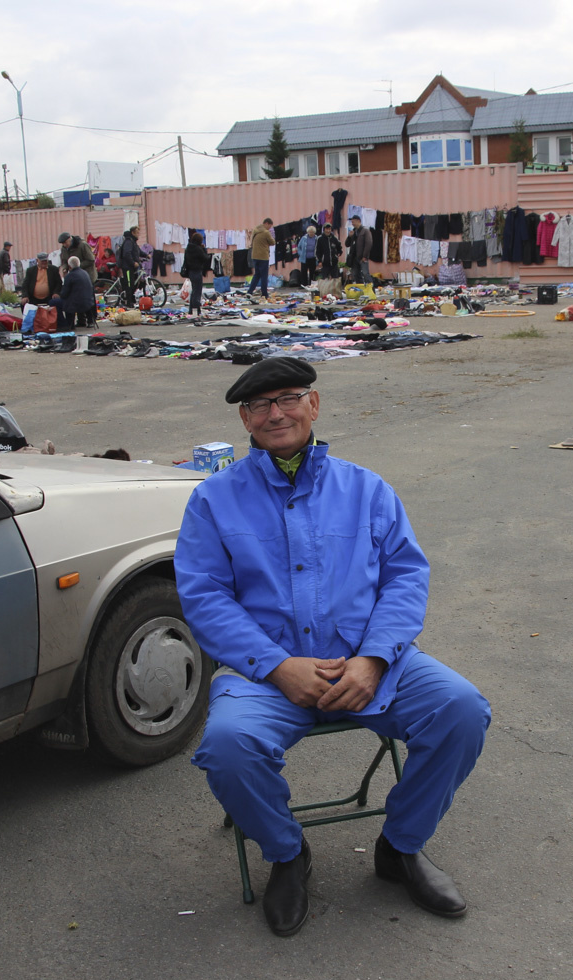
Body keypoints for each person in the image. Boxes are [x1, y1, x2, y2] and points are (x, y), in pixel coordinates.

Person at [175, 357, 492, 938]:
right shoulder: (213, 500)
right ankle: (287, 853)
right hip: (264, 674)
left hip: (369, 662)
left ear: (314, 405)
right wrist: (275, 665)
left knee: (461, 709)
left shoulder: (367, 489)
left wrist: (374, 659)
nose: (277, 414)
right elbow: (204, 598)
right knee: (226, 746)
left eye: (289, 398)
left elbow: (405, 578)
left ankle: (400, 847)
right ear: (245, 419)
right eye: (260, 406)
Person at [60, 256, 97, 329]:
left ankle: (70, 324)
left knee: (65, 301)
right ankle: (90, 321)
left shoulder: (69, 276)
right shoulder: (85, 273)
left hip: (76, 304)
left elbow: (65, 293)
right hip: (89, 302)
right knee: (80, 297)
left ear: (69, 266)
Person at [182, 230, 210, 318]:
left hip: (190, 272)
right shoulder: (198, 249)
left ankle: (191, 310)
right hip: (197, 271)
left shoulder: (188, 248)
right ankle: (196, 310)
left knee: (194, 292)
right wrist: (204, 249)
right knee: (197, 292)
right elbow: (206, 258)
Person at [116, 226, 146, 306]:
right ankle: (128, 302)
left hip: (133, 267)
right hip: (128, 267)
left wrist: (146, 255)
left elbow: (138, 251)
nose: (138, 234)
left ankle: (131, 299)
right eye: (137, 233)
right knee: (129, 284)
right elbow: (127, 254)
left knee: (134, 283)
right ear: (133, 232)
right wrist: (133, 263)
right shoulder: (128, 241)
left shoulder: (133, 242)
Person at [248, 218, 274, 299]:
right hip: (263, 256)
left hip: (255, 256)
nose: (269, 228)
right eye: (270, 226)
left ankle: (250, 291)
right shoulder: (266, 232)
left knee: (257, 275)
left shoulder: (255, 230)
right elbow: (272, 242)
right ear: (266, 223)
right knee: (264, 276)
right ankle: (264, 293)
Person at [345, 215, 373, 284]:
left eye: (353, 222)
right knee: (356, 275)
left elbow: (368, 244)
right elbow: (347, 244)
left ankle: (372, 291)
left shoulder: (365, 231)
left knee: (365, 274)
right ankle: (361, 291)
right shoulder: (354, 232)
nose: (352, 223)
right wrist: (349, 237)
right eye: (352, 222)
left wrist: (365, 256)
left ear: (359, 221)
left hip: (362, 257)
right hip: (354, 258)